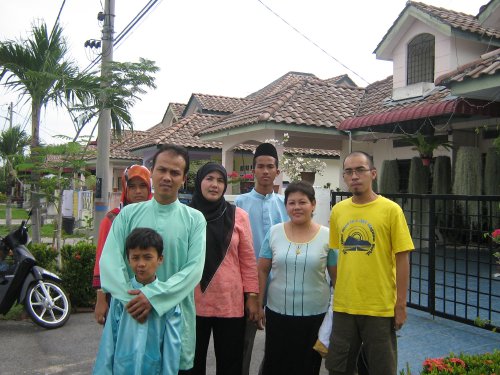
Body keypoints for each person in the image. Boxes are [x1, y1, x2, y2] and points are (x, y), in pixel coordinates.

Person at [99, 144, 207, 373]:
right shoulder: (128, 214)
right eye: (162, 170)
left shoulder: (195, 220)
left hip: (175, 319)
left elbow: (194, 270)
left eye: (175, 173)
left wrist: (153, 296)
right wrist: (131, 299)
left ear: (184, 178)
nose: (167, 177)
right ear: (153, 172)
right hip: (132, 314)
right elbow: (110, 261)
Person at [326, 151, 414, 375]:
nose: (354, 176)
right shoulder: (338, 211)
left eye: (360, 170)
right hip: (345, 305)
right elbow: (337, 254)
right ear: (344, 177)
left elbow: (402, 259)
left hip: (379, 307)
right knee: (338, 367)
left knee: (381, 368)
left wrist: (400, 305)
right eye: (349, 171)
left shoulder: (391, 210)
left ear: (373, 174)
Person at [257, 181, 337, 375]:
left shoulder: (328, 237)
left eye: (302, 202)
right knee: (275, 365)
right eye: (291, 203)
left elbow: (338, 279)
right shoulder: (274, 232)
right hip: (278, 314)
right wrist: (259, 304)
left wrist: (335, 315)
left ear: (313, 204)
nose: (297, 207)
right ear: (285, 206)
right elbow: (262, 271)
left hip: (314, 315)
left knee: (307, 366)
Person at [189, 162, 260, 375]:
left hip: (229, 302)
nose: (215, 185)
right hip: (191, 302)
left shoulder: (238, 216)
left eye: (220, 180)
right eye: (209, 179)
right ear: (199, 181)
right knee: (190, 364)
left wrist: (252, 296)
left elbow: (248, 260)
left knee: (231, 364)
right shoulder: (187, 214)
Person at [93, 227, 182, 375]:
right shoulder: (121, 296)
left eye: (147, 257)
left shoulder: (167, 300)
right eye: (135, 258)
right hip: (123, 368)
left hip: (153, 369)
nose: (141, 264)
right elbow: (109, 340)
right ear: (128, 260)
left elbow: (172, 347)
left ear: (160, 259)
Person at [234, 142, 289, 375]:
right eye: (260, 166)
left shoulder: (286, 205)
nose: (265, 171)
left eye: (270, 166)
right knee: (242, 344)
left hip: (279, 283)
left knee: (277, 345)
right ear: (253, 170)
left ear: (278, 171)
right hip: (247, 285)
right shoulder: (240, 204)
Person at [93, 164, 152, 325]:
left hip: (151, 295)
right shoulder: (112, 219)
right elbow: (103, 260)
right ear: (125, 189)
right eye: (132, 186)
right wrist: (101, 298)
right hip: (119, 294)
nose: (138, 191)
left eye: (143, 186)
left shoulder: (156, 218)